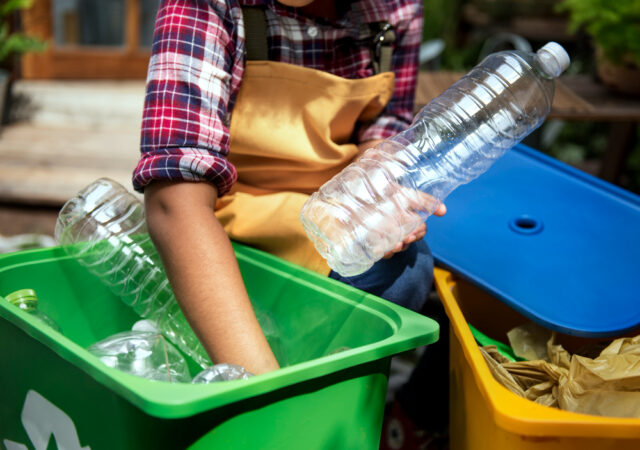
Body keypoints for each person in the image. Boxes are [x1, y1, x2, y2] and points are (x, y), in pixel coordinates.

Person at [133, 0, 446, 443]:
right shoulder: (206, 6)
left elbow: (384, 125)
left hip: (324, 218)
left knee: (408, 270)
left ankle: (329, 404)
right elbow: (174, 203)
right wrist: (266, 399)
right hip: (225, 226)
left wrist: (379, 182)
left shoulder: (394, 9)